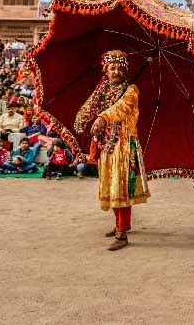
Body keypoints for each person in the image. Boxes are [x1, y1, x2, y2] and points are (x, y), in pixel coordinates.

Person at [74, 50, 151, 251]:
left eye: (119, 68)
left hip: (125, 146)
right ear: (105, 70)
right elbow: (89, 106)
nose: (116, 71)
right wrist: (81, 119)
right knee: (111, 184)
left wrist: (102, 118)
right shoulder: (102, 88)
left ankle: (122, 234)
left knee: (121, 187)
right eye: (112, 68)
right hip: (106, 144)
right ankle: (122, 223)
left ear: (125, 70)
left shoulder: (131, 90)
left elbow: (121, 108)